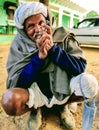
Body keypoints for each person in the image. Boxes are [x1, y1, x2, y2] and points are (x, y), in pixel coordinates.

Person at [1, 2, 98, 130]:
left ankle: (63, 105)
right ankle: (36, 109)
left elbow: (79, 67)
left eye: (41, 22)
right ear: (23, 30)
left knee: (90, 84)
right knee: (9, 99)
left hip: (64, 88)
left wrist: (53, 50)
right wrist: (39, 57)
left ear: (48, 21)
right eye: (30, 26)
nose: (38, 29)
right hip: (36, 92)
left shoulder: (63, 35)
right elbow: (19, 83)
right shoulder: (19, 45)